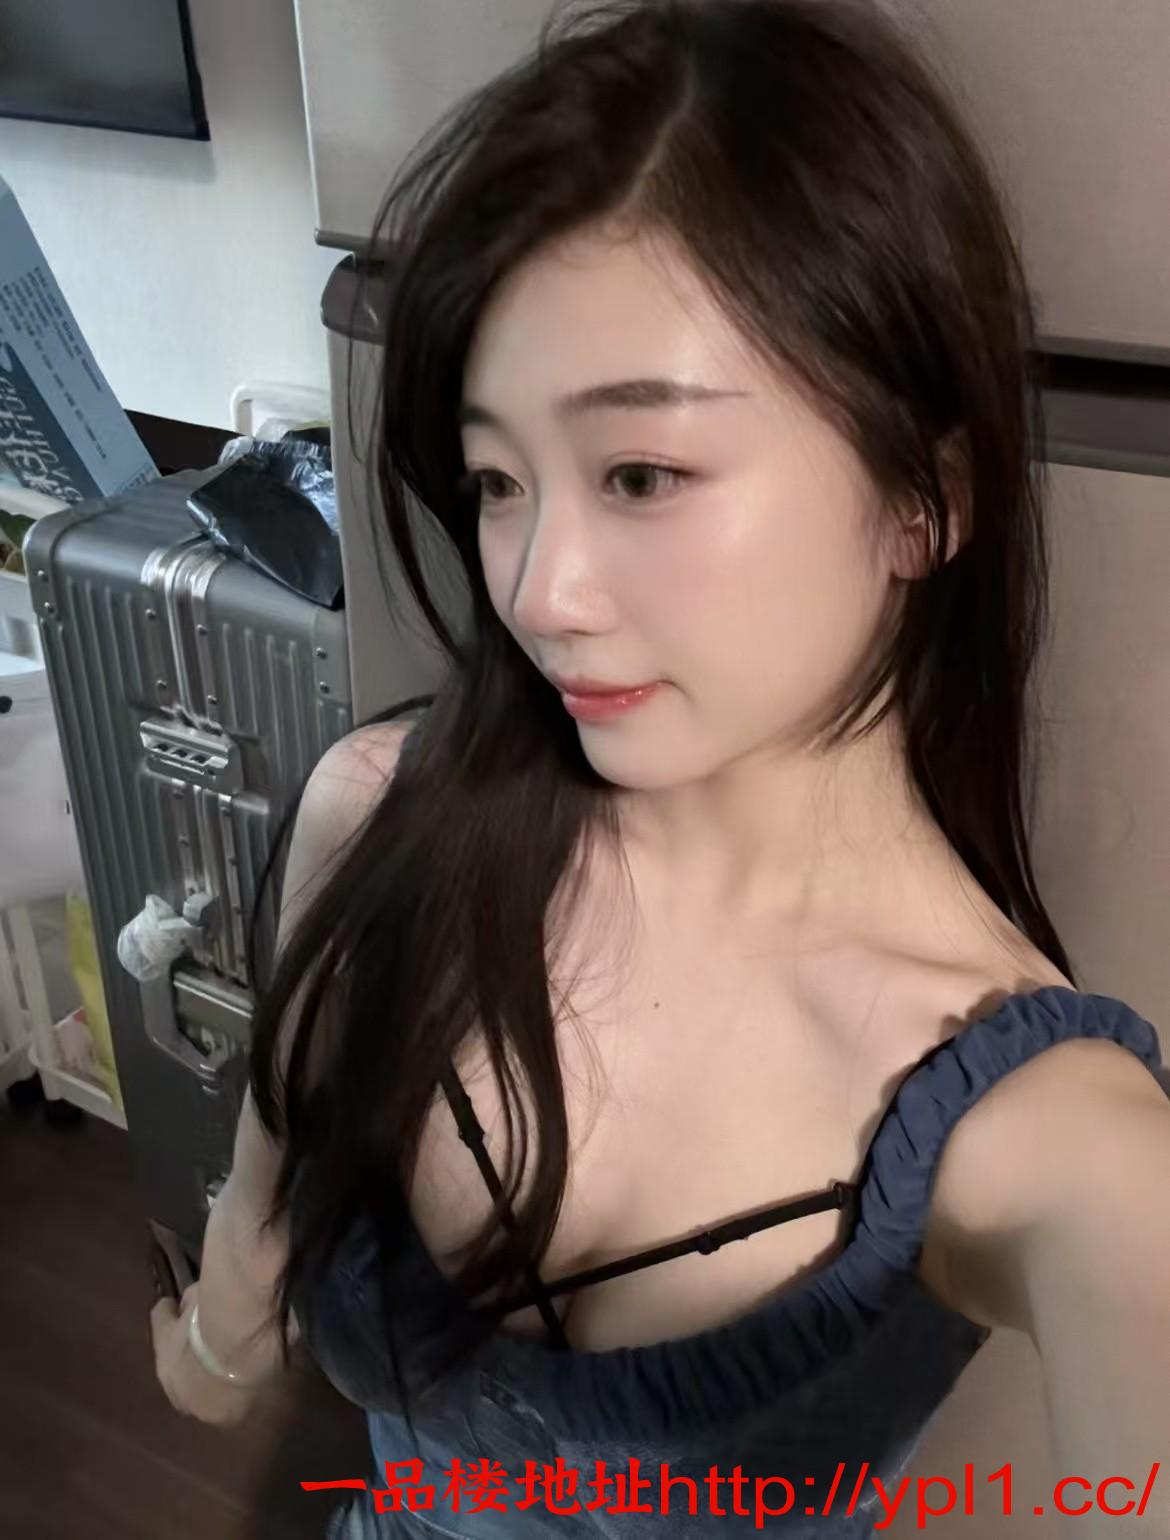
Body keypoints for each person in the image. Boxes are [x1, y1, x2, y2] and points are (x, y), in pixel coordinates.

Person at [151, 1, 1170, 1533]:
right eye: (498, 480)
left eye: (640, 472)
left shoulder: (1044, 1135)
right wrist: (215, 1350)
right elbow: (258, 1228)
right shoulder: (382, 815)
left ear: (924, 498)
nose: (537, 591)